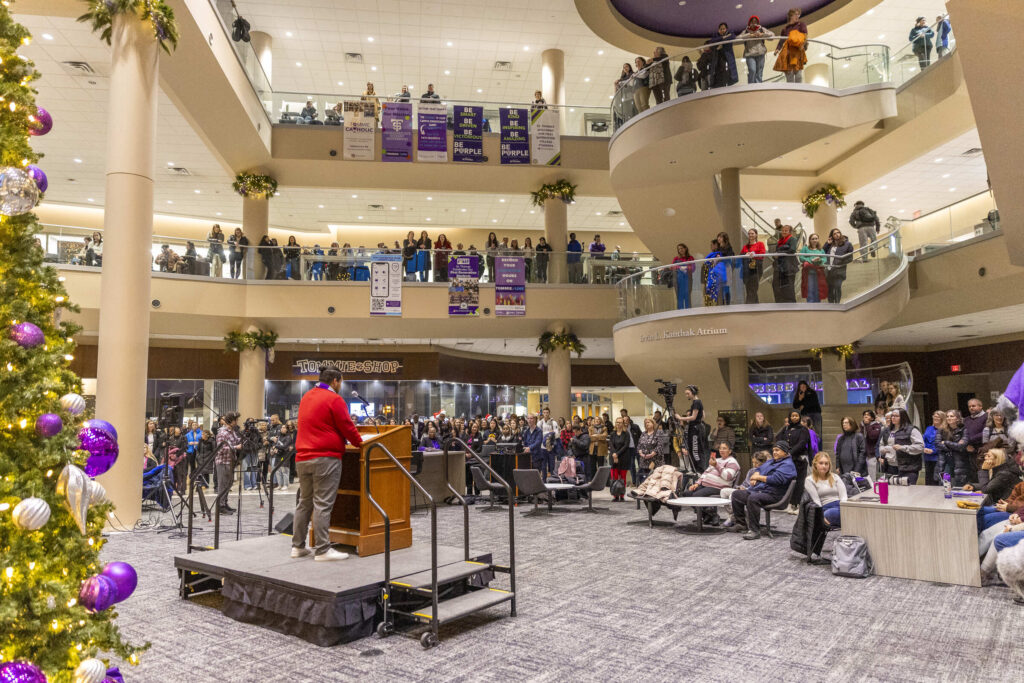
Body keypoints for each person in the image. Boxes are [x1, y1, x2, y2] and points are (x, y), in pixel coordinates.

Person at [291, 368, 363, 561]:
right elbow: (347, 426)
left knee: (304, 503)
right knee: (322, 504)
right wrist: (361, 443)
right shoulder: (334, 399)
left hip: (303, 458)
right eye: (341, 382)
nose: (341, 386)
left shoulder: (307, 396)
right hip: (325, 458)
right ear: (335, 381)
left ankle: (297, 547)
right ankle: (322, 550)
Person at [732, 441, 797, 540]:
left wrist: (759, 477)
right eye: (774, 450)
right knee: (736, 494)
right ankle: (741, 524)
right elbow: (759, 469)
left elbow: (776, 479)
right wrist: (754, 476)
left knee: (753, 498)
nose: (774, 452)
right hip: (761, 490)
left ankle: (754, 530)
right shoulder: (772, 461)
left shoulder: (788, 465)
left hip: (775, 495)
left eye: (777, 450)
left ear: (785, 452)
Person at [680, 441, 740, 524]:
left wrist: (716, 466)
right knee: (687, 493)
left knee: (696, 496)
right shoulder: (717, 460)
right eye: (720, 448)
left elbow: (728, 476)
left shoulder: (732, 462)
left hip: (719, 487)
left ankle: (712, 515)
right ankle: (707, 515)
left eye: (724, 448)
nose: (721, 450)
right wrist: (697, 484)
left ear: (730, 451)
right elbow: (705, 473)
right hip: (705, 484)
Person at [777, 410, 810, 514]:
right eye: (792, 416)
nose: (794, 418)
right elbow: (778, 439)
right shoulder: (787, 428)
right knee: (790, 482)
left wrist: (790, 452)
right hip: (788, 460)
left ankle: (800, 505)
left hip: (799, 459)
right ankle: (791, 504)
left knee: (800, 483)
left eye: (796, 416)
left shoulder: (803, 429)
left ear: (799, 417)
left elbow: (802, 443)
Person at [879, 409, 924, 484]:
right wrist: (883, 449)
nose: (893, 418)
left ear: (903, 417)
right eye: (892, 416)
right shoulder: (887, 431)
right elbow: (881, 445)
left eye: (896, 416)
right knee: (892, 493)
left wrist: (902, 447)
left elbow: (920, 447)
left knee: (907, 492)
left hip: (908, 468)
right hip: (890, 467)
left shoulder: (912, 430)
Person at [806, 451, 847, 527]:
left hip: (840, 505)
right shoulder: (809, 480)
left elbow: (844, 496)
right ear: (815, 464)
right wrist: (820, 516)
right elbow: (816, 501)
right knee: (830, 514)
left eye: (826, 463)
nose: (824, 466)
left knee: (851, 511)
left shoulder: (835, 477)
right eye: (821, 463)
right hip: (824, 508)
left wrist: (844, 509)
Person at [214, 412, 242, 514]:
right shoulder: (222, 433)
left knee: (228, 484)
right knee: (223, 484)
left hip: (230, 461)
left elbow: (235, 440)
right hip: (222, 462)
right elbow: (220, 449)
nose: (237, 422)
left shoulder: (232, 432)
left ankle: (224, 503)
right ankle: (220, 506)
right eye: (236, 420)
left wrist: (243, 439)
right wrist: (236, 447)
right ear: (231, 421)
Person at [675, 385, 707, 471]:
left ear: (693, 392)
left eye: (688, 393)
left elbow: (693, 417)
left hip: (695, 430)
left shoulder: (696, 402)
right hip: (697, 428)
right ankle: (698, 469)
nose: (687, 396)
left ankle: (698, 469)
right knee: (696, 449)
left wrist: (681, 418)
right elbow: (703, 415)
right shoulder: (698, 402)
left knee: (695, 450)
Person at [773, 7, 808, 83]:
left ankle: (799, 93)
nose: (797, 16)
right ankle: (791, 93)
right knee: (789, 76)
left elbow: (805, 36)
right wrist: (777, 49)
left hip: (798, 52)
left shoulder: (801, 25)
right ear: (790, 16)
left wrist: (803, 44)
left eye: (798, 15)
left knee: (798, 75)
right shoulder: (785, 29)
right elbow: (781, 41)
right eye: (796, 14)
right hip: (788, 54)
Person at [739, 15, 774, 84]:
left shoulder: (761, 29)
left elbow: (772, 35)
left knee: (759, 72)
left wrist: (762, 34)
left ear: (758, 22)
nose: (754, 23)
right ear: (749, 22)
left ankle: (758, 87)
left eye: (755, 21)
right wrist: (749, 35)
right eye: (752, 21)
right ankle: (751, 86)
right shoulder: (746, 31)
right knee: (752, 70)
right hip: (750, 54)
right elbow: (737, 38)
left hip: (760, 54)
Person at [824, 228, 854, 303]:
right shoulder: (830, 244)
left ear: (840, 234)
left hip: (839, 270)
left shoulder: (847, 244)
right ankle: (831, 304)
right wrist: (827, 243)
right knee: (830, 289)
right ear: (832, 236)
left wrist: (840, 263)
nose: (837, 234)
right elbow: (822, 252)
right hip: (829, 270)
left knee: (837, 287)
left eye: (838, 232)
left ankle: (837, 304)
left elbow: (850, 258)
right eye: (834, 233)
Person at [773, 224, 798, 302]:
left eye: (786, 230)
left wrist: (779, 253)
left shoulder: (792, 239)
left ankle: (791, 305)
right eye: (783, 230)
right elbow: (776, 252)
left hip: (789, 266)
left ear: (790, 232)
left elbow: (792, 250)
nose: (783, 232)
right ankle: (780, 303)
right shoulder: (779, 241)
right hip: (779, 266)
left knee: (789, 286)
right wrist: (775, 256)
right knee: (776, 285)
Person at [798, 233, 825, 303]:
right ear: (809, 240)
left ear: (818, 239)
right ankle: (811, 306)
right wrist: (811, 260)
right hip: (808, 273)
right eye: (812, 239)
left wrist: (820, 260)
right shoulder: (805, 248)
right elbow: (801, 257)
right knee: (810, 290)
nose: (814, 240)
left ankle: (818, 306)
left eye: (816, 238)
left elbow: (825, 259)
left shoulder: (821, 250)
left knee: (818, 290)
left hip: (819, 273)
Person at [709, 22, 738, 88]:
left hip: (728, 57)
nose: (722, 30)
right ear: (718, 30)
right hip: (717, 57)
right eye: (721, 29)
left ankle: (727, 84)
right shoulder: (715, 35)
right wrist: (723, 37)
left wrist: (722, 43)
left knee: (728, 71)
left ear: (726, 29)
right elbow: (712, 41)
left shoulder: (730, 32)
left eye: (724, 29)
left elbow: (733, 36)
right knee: (717, 71)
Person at [740, 229, 765, 304]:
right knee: (749, 289)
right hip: (747, 270)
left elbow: (762, 254)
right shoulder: (745, 246)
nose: (750, 235)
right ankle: (755, 306)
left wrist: (754, 254)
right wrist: (746, 254)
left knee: (753, 288)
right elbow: (741, 255)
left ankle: (748, 305)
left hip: (756, 269)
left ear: (756, 235)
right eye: (749, 233)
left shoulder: (760, 244)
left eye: (752, 233)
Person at [636, 417, 663, 484]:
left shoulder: (658, 433)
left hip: (655, 460)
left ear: (653, 423)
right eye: (645, 423)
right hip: (644, 460)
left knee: (654, 480)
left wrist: (652, 454)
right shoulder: (643, 433)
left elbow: (660, 446)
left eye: (648, 422)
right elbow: (639, 445)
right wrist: (640, 453)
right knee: (643, 479)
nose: (647, 424)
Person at [609, 417, 630, 501]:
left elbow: (626, 445)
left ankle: (621, 495)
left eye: (620, 422)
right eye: (617, 422)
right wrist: (614, 454)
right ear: (615, 423)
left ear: (623, 424)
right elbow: (611, 445)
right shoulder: (612, 434)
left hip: (623, 457)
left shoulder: (626, 434)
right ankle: (615, 495)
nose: (619, 424)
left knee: (622, 478)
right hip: (613, 458)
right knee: (614, 477)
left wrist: (617, 454)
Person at [861, 409, 883, 480]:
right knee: (864, 476)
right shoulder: (862, 426)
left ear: (872, 418)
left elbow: (872, 436)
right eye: (865, 415)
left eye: (868, 415)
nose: (866, 416)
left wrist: (867, 425)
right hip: (864, 455)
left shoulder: (877, 426)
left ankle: (873, 490)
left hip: (872, 454)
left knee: (872, 476)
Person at [671, 243, 695, 309]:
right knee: (679, 296)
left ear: (685, 248)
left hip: (688, 279)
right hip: (678, 279)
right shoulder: (676, 258)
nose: (680, 250)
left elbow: (693, 268)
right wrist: (680, 267)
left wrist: (686, 268)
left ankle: (689, 312)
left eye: (681, 248)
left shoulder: (690, 258)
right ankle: (680, 313)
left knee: (687, 296)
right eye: (679, 249)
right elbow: (672, 268)